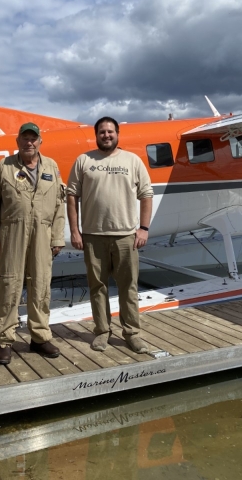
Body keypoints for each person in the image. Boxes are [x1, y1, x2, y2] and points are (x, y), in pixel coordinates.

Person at [67, 117, 154, 354]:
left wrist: (143, 229)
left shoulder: (132, 160)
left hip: (126, 236)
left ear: (118, 134)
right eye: (102, 132)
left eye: (110, 131)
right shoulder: (84, 160)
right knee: (98, 286)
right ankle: (102, 331)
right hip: (93, 236)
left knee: (129, 287)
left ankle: (132, 333)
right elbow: (72, 196)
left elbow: (146, 194)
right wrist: (75, 231)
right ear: (96, 135)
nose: (107, 135)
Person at [0, 122, 65, 364]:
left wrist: (58, 237)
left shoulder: (52, 167)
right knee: (9, 285)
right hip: (12, 235)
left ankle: (39, 337)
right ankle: (4, 340)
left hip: (43, 235)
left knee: (41, 286)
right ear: (17, 141)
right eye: (25, 138)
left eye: (34, 138)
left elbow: (59, 206)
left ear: (40, 142)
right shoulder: (4, 167)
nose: (29, 142)